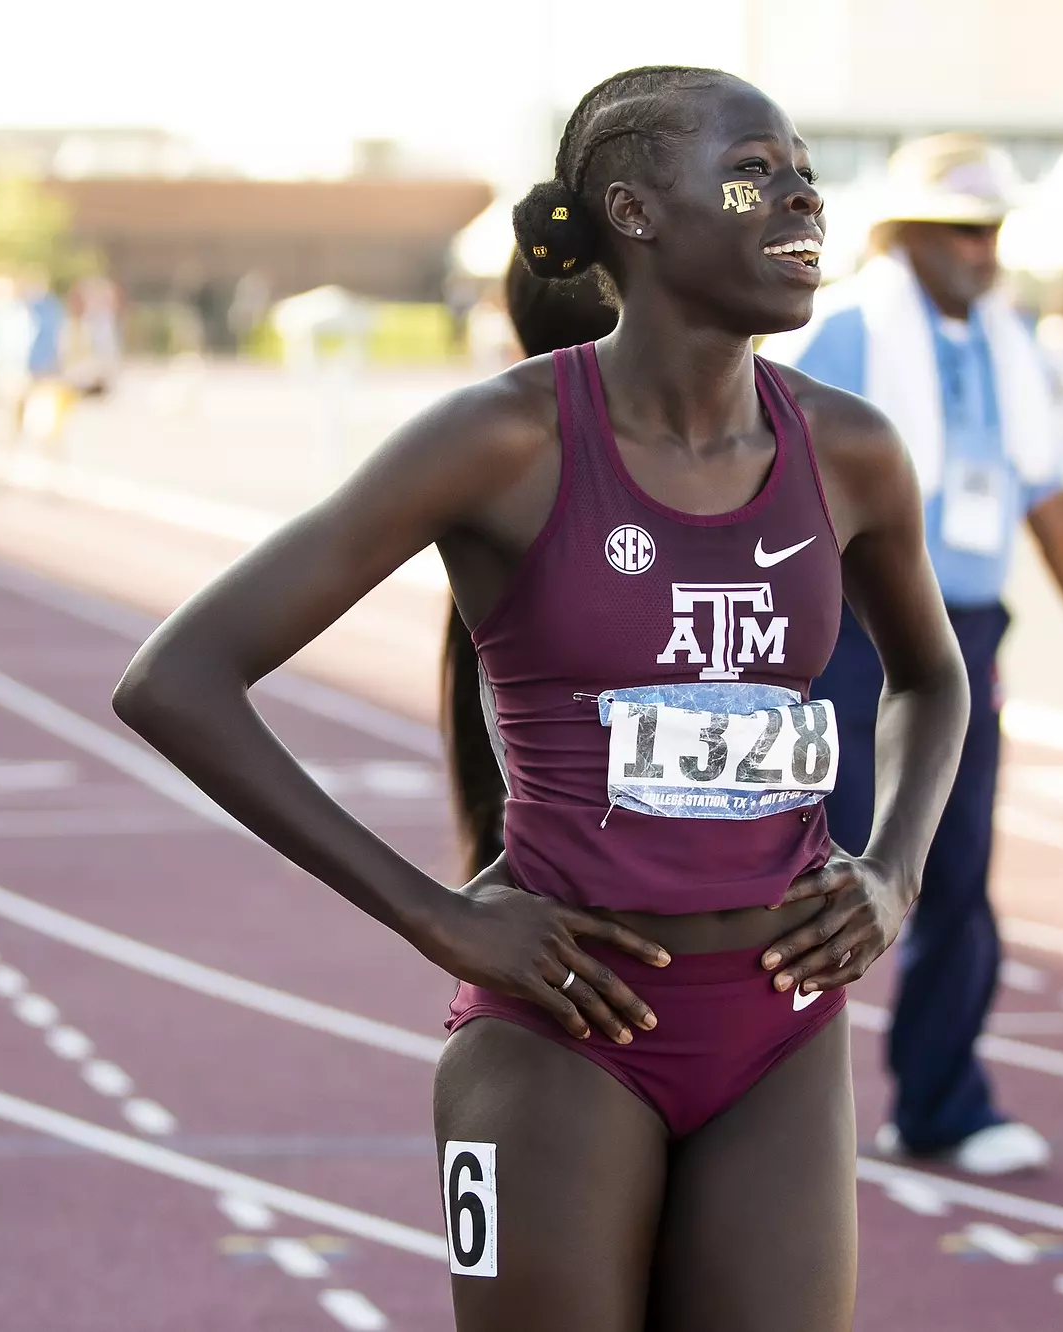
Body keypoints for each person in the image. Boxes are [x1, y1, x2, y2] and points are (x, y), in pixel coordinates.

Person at [115, 66, 971, 1331]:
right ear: (634, 212)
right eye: (754, 168)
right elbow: (178, 680)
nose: (800, 194)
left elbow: (932, 677)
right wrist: (432, 918)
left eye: (802, 167)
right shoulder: (504, 441)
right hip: (562, 1033)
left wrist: (892, 870)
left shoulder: (848, 450)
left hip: (781, 1028)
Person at [760, 133, 1063, 1175]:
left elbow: (1045, 494)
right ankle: (756, 1105)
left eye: (993, 234)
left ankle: (941, 1106)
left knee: (952, 869)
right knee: (809, 865)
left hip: (963, 637)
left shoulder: (1010, 347)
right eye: (964, 233)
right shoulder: (841, 332)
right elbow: (759, 470)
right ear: (909, 234)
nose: (984, 254)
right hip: (844, 633)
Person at [443, 253, 621, 878]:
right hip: (574, 930)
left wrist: (891, 868)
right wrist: (432, 915)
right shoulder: (486, 446)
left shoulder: (798, 437)